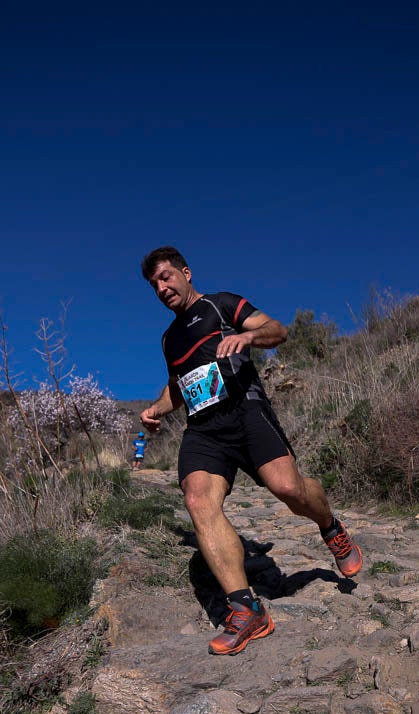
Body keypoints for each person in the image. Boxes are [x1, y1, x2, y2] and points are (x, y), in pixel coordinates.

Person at [138, 245, 363, 656]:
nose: (161, 286)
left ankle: (330, 526)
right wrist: (157, 407)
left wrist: (248, 336)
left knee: (289, 489)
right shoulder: (170, 338)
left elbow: (278, 330)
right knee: (197, 500)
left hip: (246, 411)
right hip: (204, 428)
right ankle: (246, 608)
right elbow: (178, 385)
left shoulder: (221, 305)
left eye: (167, 276)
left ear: (186, 273)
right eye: (154, 283)